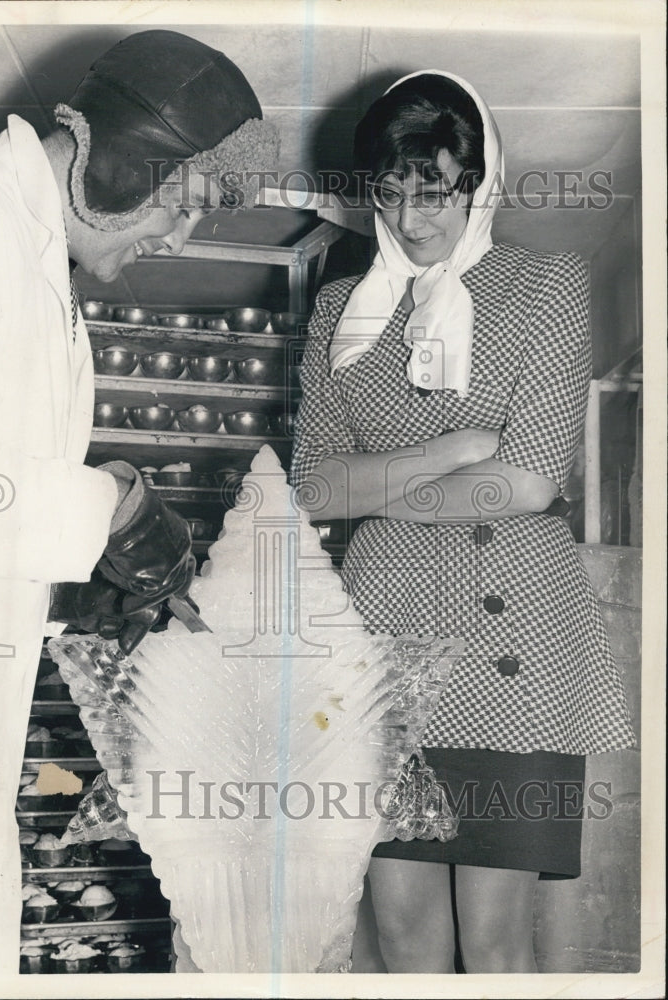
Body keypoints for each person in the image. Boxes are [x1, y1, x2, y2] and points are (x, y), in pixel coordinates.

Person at [0, 30, 277, 990]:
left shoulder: (23, 248)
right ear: (123, 159)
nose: (174, 239)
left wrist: (85, 578)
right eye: (178, 202)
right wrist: (119, 512)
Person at [290, 70, 634, 973]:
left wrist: (383, 495)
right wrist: (447, 454)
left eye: (433, 189)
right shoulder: (340, 312)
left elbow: (525, 483)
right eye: (391, 192)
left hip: (516, 644)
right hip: (382, 647)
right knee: (404, 938)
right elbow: (312, 491)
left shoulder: (547, 284)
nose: (411, 218)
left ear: (476, 182)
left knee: (493, 943)